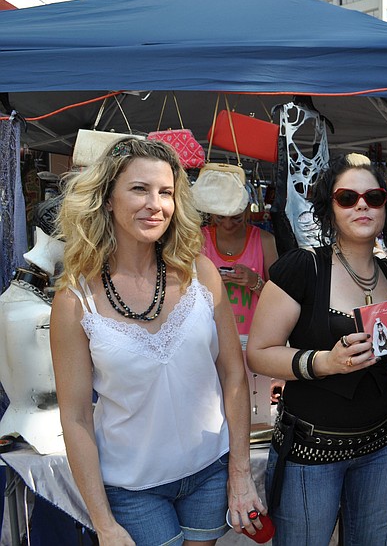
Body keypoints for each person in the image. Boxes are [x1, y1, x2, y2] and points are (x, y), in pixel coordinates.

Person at [50, 138, 264, 545]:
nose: (156, 204)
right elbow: (75, 418)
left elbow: (234, 376)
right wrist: (104, 524)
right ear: (107, 199)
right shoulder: (74, 301)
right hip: (131, 488)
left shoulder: (202, 273)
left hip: (209, 470)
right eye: (139, 189)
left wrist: (240, 473)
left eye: (166, 192)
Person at [246, 153, 387, 546]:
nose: (363, 205)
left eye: (375, 197)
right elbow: (260, 353)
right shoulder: (304, 267)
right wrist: (325, 362)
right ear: (329, 208)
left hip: (384, 445)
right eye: (347, 198)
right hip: (311, 452)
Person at [192, 165, 278, 337]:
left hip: (254, 338)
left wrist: (255, 282)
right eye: (220, 217)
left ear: (247, 211)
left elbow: (280, 300)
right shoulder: (198, 239)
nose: (228, 224)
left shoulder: (265, 241)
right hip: (209, 336)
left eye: (236, 219)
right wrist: (207, 280)